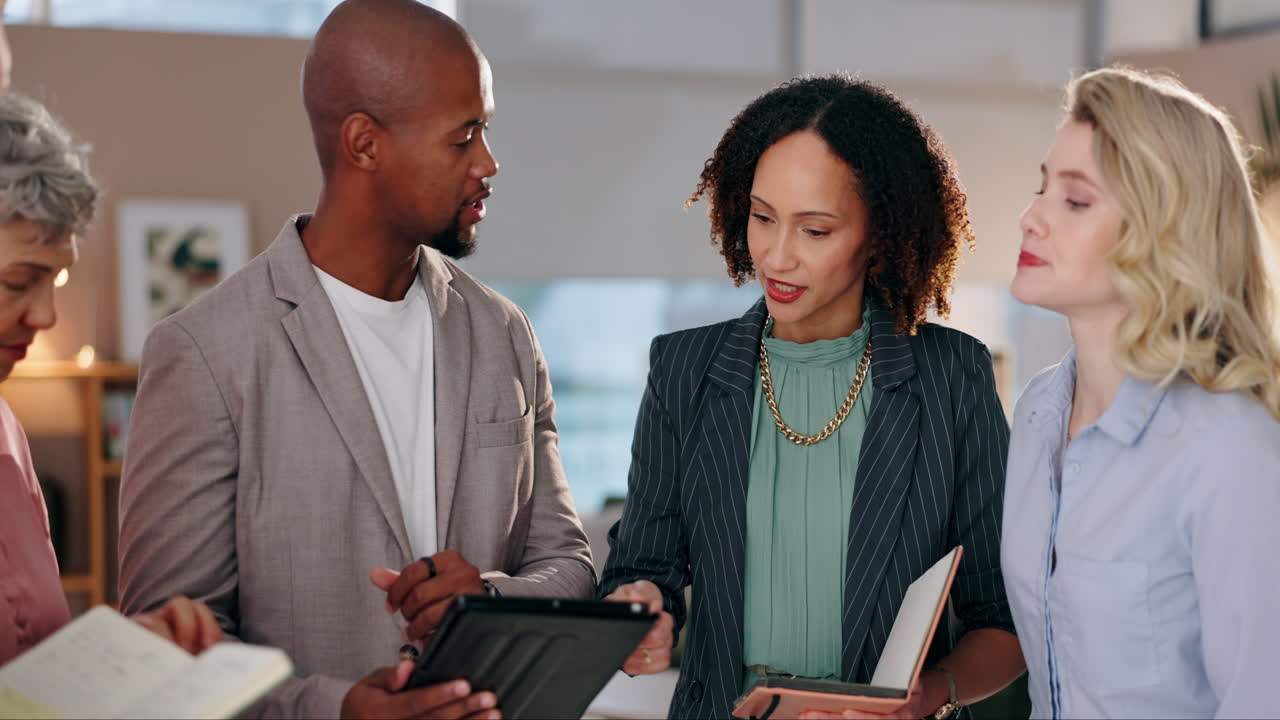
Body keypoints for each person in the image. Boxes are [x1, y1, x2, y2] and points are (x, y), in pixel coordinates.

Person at [118, 1, 594, 717]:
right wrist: (335, 709)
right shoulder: (204, 353)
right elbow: (169, 647)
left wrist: (489, 600)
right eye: (464, 137)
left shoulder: (505, 333)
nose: (488, 163)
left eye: (485, 131)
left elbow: (571, 566)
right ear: (364, 144)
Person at [600, 74, 1024, 720]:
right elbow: (640, 570)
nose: (776, 256)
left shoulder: (953, 378)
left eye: (816, 231)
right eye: (763, 218)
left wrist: (925, 697)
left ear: (879, 234)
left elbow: (1006, 620)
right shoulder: (684, 372)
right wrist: (638, 615)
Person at [1002, 66, 1280, 719]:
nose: (1030, 218)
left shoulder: (1228, 447)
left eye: (1075, 201)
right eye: (1041, 188)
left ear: (1164, 230)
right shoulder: (1038, 412)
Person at [0, 92, 221, 664]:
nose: (45, 316)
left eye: (57, 281)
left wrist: (120, 657)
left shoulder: (7, 433)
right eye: (19, 280)